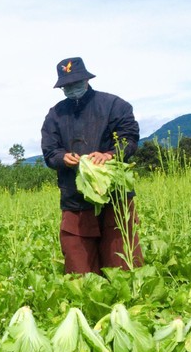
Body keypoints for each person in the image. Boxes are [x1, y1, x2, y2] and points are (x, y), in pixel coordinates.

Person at [40, 57, 143, 274]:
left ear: (87, 80)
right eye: (66, 86)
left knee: (122, 259)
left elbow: (129, 139)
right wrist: (62, 158)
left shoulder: (114, 105)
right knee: (79, 267)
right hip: (75, 195)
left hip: (114, 193)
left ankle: (129, 303)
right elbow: (50, 151)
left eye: (75, 84)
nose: (71, 89)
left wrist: (110, 155)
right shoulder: (55, 115)